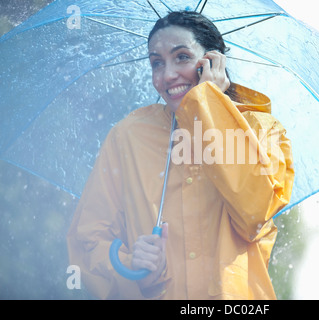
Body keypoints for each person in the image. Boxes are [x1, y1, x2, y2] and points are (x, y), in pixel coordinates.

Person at [67, 11, 294, 300]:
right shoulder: (127, 137)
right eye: (156, 63)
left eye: (182, 57)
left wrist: (209, 107)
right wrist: (129, 262)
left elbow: (254, 213)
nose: (167, 75)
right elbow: (88, 239)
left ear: (214, 62)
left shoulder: (262, 131)